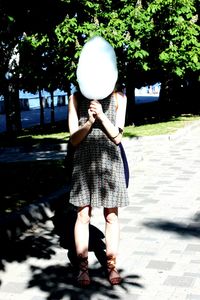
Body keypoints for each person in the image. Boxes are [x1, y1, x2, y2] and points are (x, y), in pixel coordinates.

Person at [68, 88, 129, 286]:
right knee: (83, 215)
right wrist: (89, 122)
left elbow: (117, 137)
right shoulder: (76, 98)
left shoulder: (119, 98)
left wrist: (101, 116)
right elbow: (74, 139)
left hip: (110, 164)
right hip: (84, 163)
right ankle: (83, 268)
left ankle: (111, 265)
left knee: (111, 215)